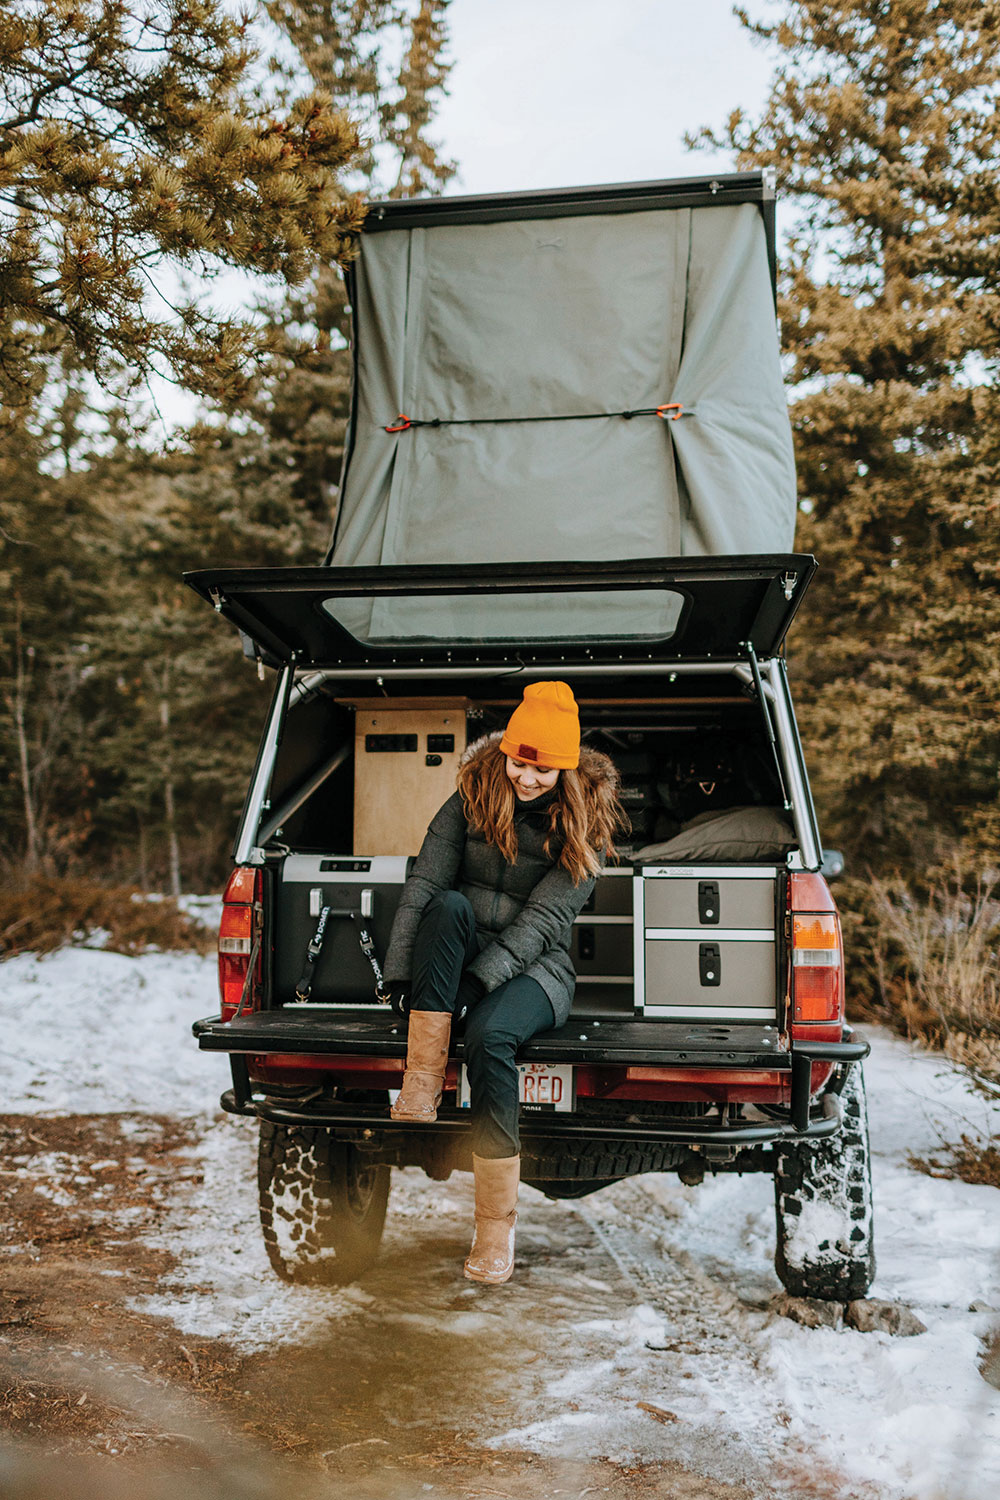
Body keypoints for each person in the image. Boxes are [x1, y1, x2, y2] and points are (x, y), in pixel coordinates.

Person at [381, 681, 626, 1286]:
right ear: (505, 752)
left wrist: (475, 987)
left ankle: (494, 1230)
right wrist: (401, 976)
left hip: (538, 969)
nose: (529, 778)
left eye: (544, 770)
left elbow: (544, 922)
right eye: (521, 761)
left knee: (490, 1039)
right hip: (461, 948)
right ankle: (421, 1081)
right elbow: (423, 887)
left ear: (565, 770)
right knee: (447, 909)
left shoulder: (583, 826)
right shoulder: (468, 798)